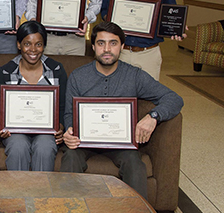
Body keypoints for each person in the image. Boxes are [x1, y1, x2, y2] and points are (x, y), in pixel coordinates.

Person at [61, 21, 183, 199]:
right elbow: (69, 113)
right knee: (70, 157)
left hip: (120, 142)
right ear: (93, 46)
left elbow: (174, 99)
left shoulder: (134, 75)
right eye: (101, 43)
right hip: (83, 141)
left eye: (113, 43)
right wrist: (70, 131)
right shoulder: (78, 76)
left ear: (122, 46)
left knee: (135, 164)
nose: (107, 49)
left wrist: (153, 117)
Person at [0, 21, 67, 171]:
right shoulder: (5, 71)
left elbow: (62, 106)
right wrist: (0, 125)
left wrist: (60, 126)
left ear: (44, 46)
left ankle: (41, 194)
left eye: (38, 44)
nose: (33, 49)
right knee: (18, 146)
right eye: (27, 44)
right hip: (16, 130)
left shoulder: (56, 69)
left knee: (45, 147)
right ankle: (18, 193)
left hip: (45, 130)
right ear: (19, 45)